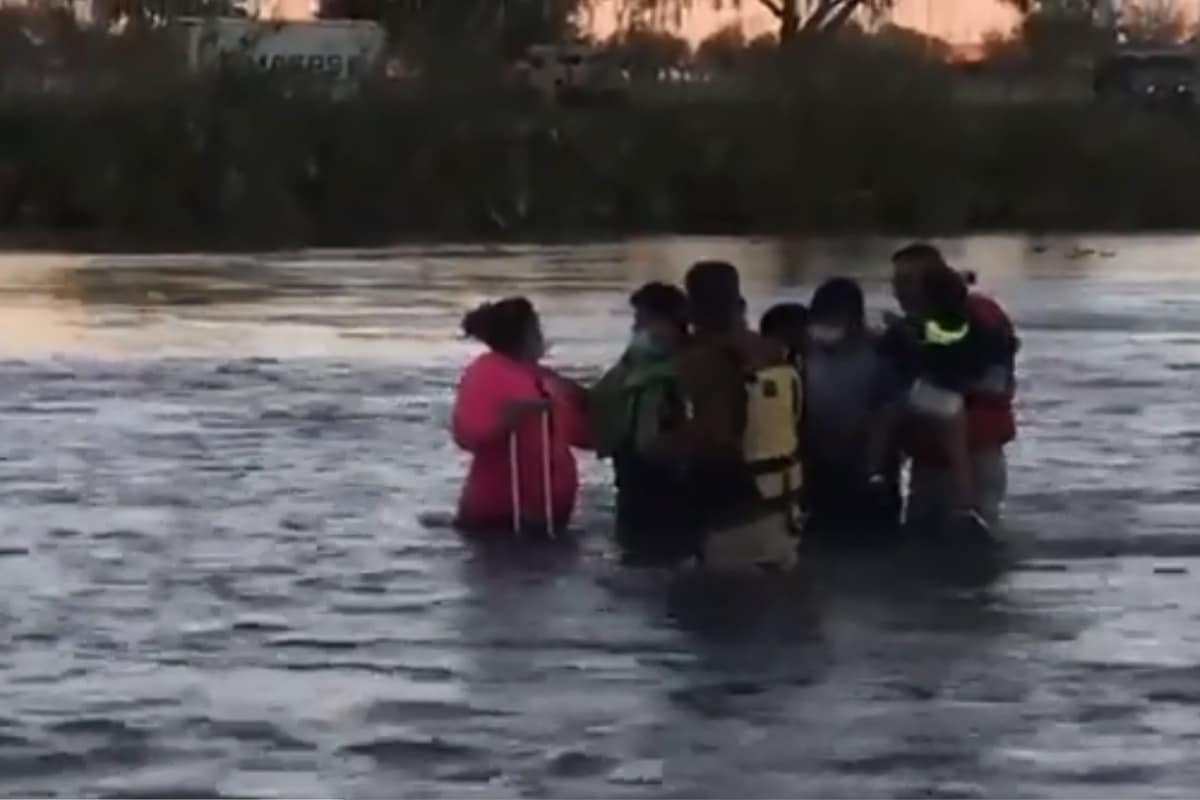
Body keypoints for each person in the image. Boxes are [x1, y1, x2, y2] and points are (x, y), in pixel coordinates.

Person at [665, 261, 804, 572]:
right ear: (738, 302)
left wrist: (664, 445)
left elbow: (715, 435)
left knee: (722, 615)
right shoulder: (772, 351)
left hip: (731, 518)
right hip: (781, 510)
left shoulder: (699, 362)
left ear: (691, 308)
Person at [882, 243, 1019, 535]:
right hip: (927, 463)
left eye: (907, 282)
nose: (898, 292)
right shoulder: (906, 331)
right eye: (895, 283)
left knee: (976, 541)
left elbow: (997, 380)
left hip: (977, 457)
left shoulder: (979, 318)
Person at [452, 297, 590, 537]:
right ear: (525, 335)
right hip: (502, 519)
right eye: (537, 329)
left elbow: (586, 435)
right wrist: (506, 420)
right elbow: (467, 434)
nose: (542, 336)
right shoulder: (486, 374)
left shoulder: (544, 380)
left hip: (544, 518)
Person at [590, 282, 697, 564]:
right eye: (637, 320)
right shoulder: (634, 363)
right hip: (632, 488)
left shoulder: (692, 366)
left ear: (672, 323)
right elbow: (598, 399)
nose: (637, 328)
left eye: (644, 320)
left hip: (675, 495)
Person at [802, 277, 902, 542]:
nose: (824, 328)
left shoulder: (878, 364)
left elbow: (884, 422)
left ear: (854, 321)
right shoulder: (807, 359)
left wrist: (873, 475)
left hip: (866, 480)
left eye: (832, 320)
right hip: (819, 477)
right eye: (820, 320)